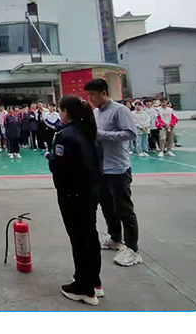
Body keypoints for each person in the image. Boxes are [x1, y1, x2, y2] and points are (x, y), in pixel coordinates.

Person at [45, 95, 103, 306]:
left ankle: (83, 288)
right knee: (90, 235)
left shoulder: (65, 135)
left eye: (60, 110)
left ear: (66, 112)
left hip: (73, 194)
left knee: (79, 239)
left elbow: (62, 168)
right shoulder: (90, 131)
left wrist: (51, 158)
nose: (59, 113)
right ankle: (94, 281)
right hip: (91, 191)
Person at [84, 79, 142, 267]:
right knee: (107, 206)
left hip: (118, 168)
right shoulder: (95, 112)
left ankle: (132, 249)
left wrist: (103, 135)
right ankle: (115, 237)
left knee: (124, 209)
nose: (90, 98)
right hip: (101, 168)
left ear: (103, 92)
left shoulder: (119, 110)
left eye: (93, 94)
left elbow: (130, 133)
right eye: (88, 95)